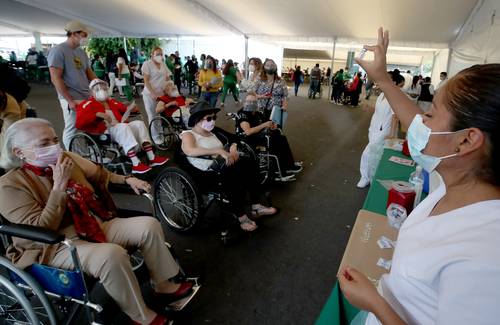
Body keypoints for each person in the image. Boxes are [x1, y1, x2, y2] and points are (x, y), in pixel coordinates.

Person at [340, 27, 500, 325]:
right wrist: (383, 78)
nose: (419, 121)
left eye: (430, 114)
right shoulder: (456, 178)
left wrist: (375, 303)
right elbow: (415, 121)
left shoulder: (487, 259)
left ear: (466, 140)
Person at [0, 118, 194, 325]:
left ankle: (162, 285)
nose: (55, 147)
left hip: (91, 223)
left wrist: (126, 179)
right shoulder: (8, 185)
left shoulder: (66, 159)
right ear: (19, 152)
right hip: (54, 245)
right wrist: (59, 187)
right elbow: (41, 228)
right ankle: (140, 316)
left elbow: (99, 174)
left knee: (148, 226)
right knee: (112, 255)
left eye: (55, 140)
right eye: (44, 143)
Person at [180, 101, 277, 230]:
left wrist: (233, 147)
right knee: (234, 174)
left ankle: (256, 206)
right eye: (209, 118)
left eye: (214, 117)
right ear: (197, 120)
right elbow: (189, 151)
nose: (212, 121)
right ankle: (242, 217)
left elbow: (235, 138)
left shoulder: (214, 131)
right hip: (205, 172)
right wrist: (218, 151)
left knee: (250, 164)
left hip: (222, 164)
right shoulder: (189, 134)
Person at [75, 79, 168, 174]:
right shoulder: (87, 104)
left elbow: (124, 109)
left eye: (103, 88)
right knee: (123, 127)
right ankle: (136, 164)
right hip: (105, 132)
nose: (101, 91)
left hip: (120, 127)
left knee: (138, 124)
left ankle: (151, 157)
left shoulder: (111, 102)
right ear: (91, 92)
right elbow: (79, 122)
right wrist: (96, 115)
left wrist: (132, 109)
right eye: (97, 89)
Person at [48, 21, 97, 150]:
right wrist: (69, 100)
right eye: (84, 34)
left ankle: (91, 154)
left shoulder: (81, 52)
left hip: (86, 95)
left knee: (91, 125)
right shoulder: (58, 51)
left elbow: (88, 71)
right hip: (71, 97)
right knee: (72, 128)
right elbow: (55, 77)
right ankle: (74, 156)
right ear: (74, 33)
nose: (86, 37)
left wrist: (98, 84)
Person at [357, 70, 405, 188]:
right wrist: (369, 108)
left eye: (386, 78)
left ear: (393, 82)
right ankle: (373, 178)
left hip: (384, 131)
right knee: (376, 154)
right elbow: (379, 110)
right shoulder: (382, 95)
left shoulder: (394, 96)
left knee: (367, 153)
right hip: (374, 128)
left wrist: (393, 136)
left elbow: (395, 117)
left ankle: (366, 177)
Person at [237, 94, 302, 175]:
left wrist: (272, 126)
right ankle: (282, 169)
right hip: (249, 139)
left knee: (281, 137)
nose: (251, 104)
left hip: (259, 136)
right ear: (245, 103)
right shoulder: (243, 113)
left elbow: (267, 123)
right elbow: (248, 132)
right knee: (276, 141)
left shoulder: (257, 113)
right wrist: (264, 125)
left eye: (253, 102)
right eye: (249, 101)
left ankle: (289, 164)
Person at [141, 47, 172, 143]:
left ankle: (161, 134)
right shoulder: (147, 64)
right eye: (157, 54)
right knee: (152, 115)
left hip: (161, 94)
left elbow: (168, 77)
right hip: (149, 94)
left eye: (161, 54)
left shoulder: (163, 64)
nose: (160, 56)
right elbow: (146, 81)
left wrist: (170, 87)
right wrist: (153, 93)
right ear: (152, 55)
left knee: (159, 115)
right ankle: (155, 137)